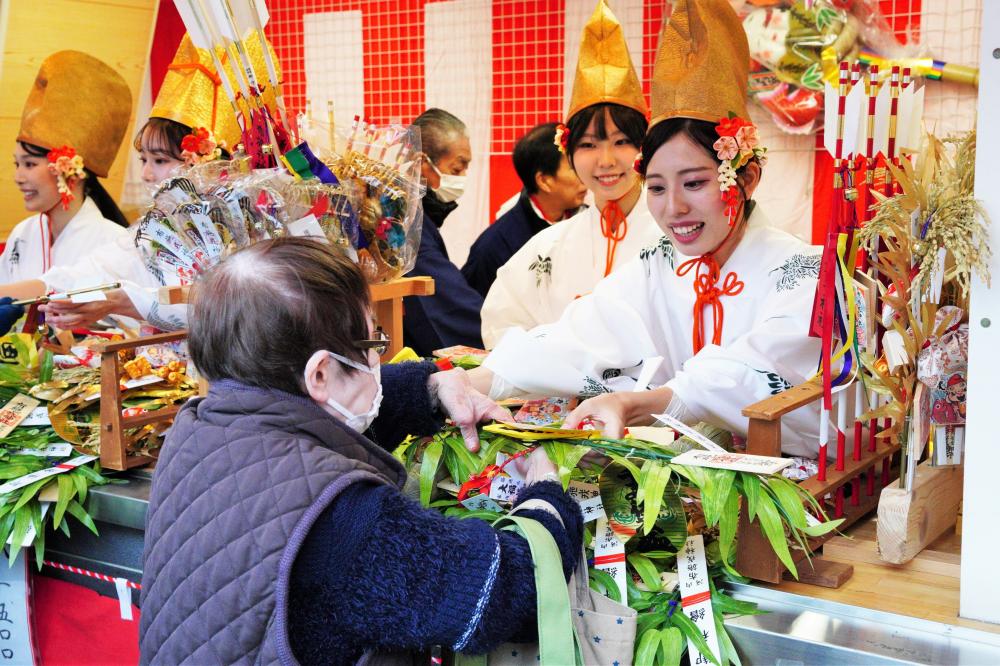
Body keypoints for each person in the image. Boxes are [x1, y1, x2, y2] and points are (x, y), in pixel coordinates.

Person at [139, 237, 584, 664]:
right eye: (372, 346)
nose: (378, 361)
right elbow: (510, 596)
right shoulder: (347, 524)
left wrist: (429, 387)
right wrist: (546, 493)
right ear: (319, 375)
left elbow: (310, 430)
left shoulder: (196, 428)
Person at [470, 0, 824, 458]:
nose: (674, 208)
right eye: (656, 187)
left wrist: (643, 402)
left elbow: (756, 370)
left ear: (747, 178)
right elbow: (590, 330)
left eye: (694, 183)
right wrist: (479, 379)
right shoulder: (660, 263)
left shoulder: (803, 270)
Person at [19, 33, 274, 329]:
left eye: (161, 161)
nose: (146, 174)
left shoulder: (253, 230)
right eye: (144, 160)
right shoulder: (153, 229)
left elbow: (236, 311)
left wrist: (125, 301)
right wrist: (35, 296)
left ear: (207, 162)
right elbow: (88, 272)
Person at [479, 0, 663, 349]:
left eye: (622, 142)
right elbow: (502, 323)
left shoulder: (678, 236)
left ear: (645, 146)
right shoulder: (548, 247)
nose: (606, 160)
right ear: (569, 151)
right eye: (590, 145)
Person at [1, 51, 133, 285]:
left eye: (30, 164)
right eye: (17, 164)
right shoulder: (23, 233)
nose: (18, 177)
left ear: (71, 172)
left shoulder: (115, 242)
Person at [461, 122, 587, 298]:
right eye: (574, 168)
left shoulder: (590, 220)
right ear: (544, 181)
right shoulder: (495, 247)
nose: (585, 174)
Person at [403, 108, 486, 356]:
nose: (462, 179)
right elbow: (449, 304)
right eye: (457, 168)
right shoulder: (405, 225)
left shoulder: (417, 217)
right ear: (420, 163)